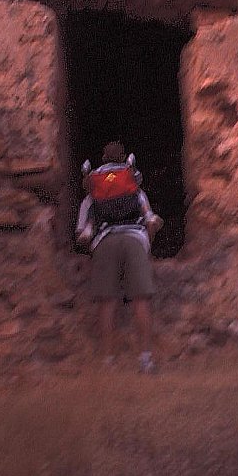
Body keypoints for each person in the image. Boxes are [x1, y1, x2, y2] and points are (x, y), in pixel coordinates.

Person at [76, 141, 163, 373]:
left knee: (107, 303)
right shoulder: (134, 187)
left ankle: (108, 360)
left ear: (103, 159)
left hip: (105, 241)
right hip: (135, 239)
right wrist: (147, 249)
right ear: (125, 159)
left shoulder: (93, 192)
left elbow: (82, 235)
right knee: (140, 300)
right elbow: (150, 220)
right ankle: (145, 359)